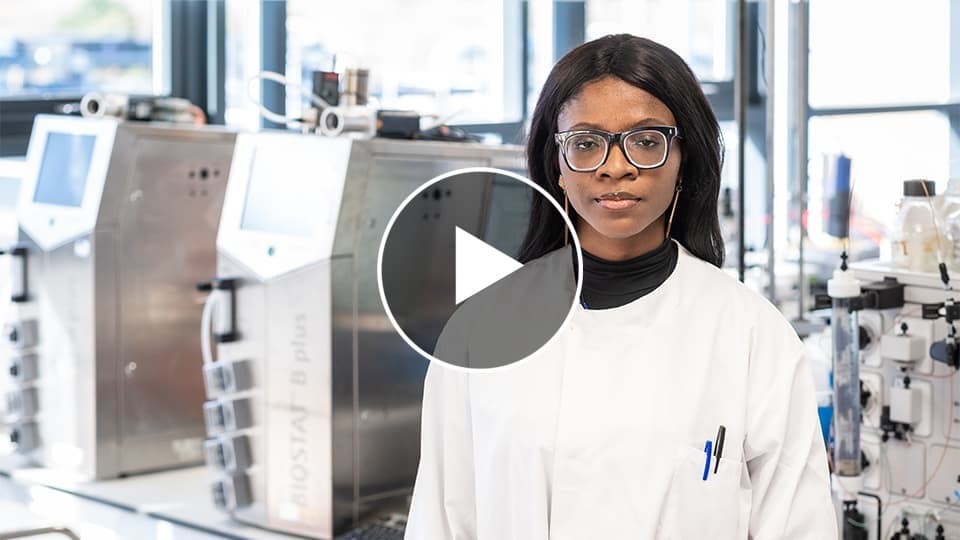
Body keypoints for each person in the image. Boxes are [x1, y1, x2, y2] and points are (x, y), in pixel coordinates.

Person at [404, 34, 837, 539]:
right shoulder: (480, 332)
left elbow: (797, 525)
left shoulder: (750, 334)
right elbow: (442, 517)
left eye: (647, 141)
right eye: (586, 143)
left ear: (684, 161)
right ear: (557, 167)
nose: (616, 166)